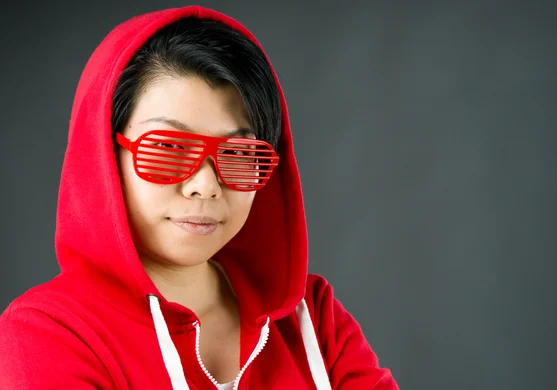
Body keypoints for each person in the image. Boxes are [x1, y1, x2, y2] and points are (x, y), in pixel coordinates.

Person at [0, 5, 399, 390]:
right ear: (104, 154)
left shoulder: (311, 317)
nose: (205, 185)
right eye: (170, 148)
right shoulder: (46, 334)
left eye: (240, 153)